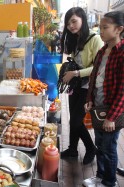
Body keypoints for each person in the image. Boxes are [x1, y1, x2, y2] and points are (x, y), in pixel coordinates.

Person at [83, 11, 124, 187]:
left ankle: (109, 182)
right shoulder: (102, 51)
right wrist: (90, 99)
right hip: (98, 107)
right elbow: (94, 77)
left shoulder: (121, 54)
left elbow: (123, 91)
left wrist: (111, 117)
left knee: (108, 148)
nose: (101, 31)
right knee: (100, 144)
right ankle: (100, 176)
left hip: (111, 111)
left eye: (105, 27)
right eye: (100, 27)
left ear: (119, 29)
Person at [60, 7, 104, 165]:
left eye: (74, 21)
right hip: (76, 86)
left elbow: (98, 67)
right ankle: (72, 150)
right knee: (73, 118)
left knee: (77, 121)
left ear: (83, 20)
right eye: (68, 23)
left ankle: (91, 148)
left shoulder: (95, 39)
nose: (71, 26)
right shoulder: (75, 39)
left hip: (89, 87)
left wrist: (76, 74)